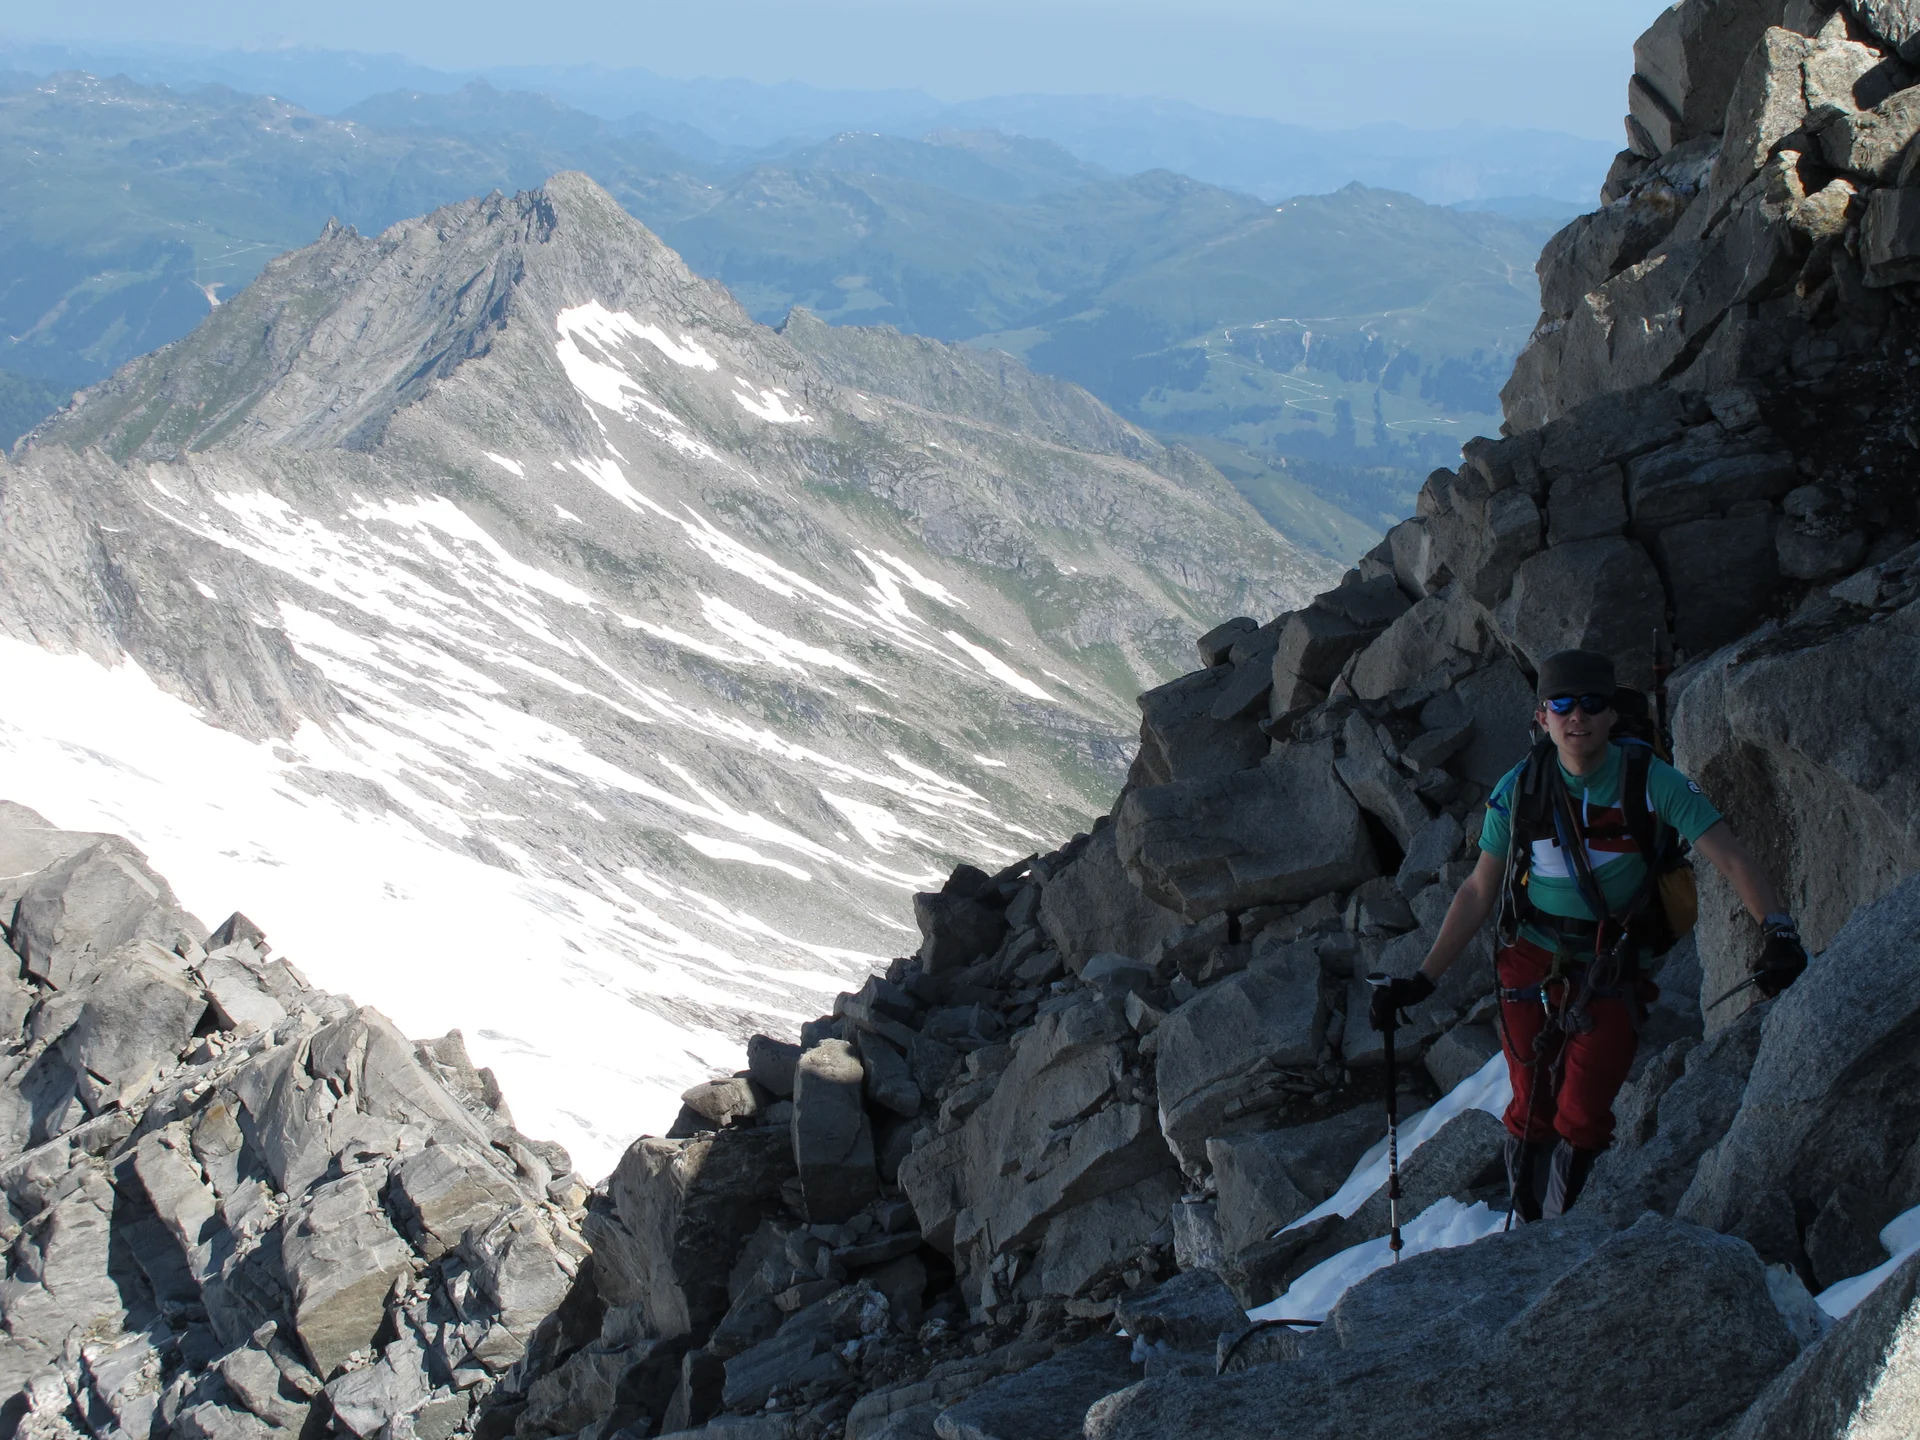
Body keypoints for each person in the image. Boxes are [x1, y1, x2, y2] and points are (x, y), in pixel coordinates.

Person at [1367, 649, 1808, 1222]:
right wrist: (1423, 980)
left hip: (1611, 963)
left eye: (1592, 704)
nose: (1578, 717)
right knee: (1530, 1102)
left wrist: (1777, 930)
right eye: (1563, 705)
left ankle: (1561, 1234)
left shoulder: (1651, 781)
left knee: (1584, 1107)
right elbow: (1479, 889)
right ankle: (1530, 1228)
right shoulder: (1520, 787)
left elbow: (1730, 857)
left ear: (1610, 716)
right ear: (1542, 716)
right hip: (1530, 958)